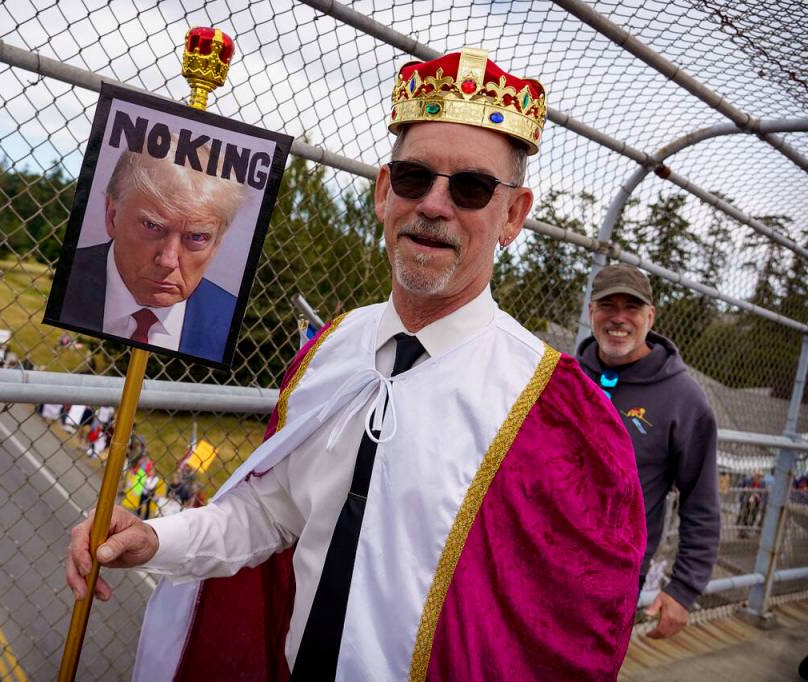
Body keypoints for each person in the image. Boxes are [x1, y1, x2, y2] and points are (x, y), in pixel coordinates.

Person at [67, 47, 645, 680]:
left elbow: (563, 645)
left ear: (512, 214)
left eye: (473, 188)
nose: (434, 204)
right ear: (381, 191)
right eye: (413, 177)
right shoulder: (330, 349)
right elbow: (271, 515)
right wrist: (156, 540)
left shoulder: (557, 416)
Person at [577, 263, 720, 639]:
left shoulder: (684, 399)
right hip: (544, 556)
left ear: (650, 316)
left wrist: (683, 589)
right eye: (608, 305)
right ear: (591, 311)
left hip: (614, 576)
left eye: (632, 307)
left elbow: (701, 503)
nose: (619, 318)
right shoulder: (567, 377)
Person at [57, 134, 247, 363]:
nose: (168, 261)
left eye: (196, 237)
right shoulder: (65, 284)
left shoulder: (230, 320)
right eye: (152, 226)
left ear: (216, 244)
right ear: (112, 215)